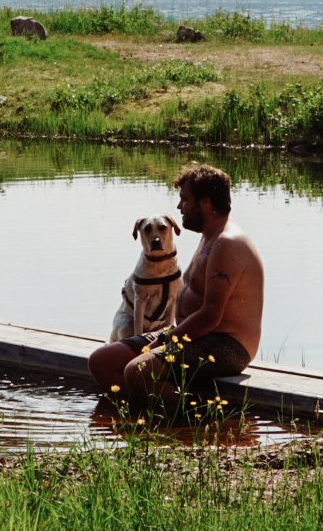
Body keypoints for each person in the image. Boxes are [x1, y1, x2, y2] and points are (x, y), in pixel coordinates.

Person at [88, 163, 264, 415]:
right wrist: (168, 335)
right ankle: (139, 419)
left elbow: (211, 316)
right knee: (101, 361)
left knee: (136, 370)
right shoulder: (210, 235)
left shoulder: (228, 243)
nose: (179, 207)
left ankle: (200, 418)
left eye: (184, 200)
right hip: (190, 335)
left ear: (204, 203)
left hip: (226, 346)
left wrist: (165, 338)